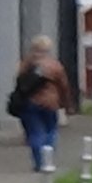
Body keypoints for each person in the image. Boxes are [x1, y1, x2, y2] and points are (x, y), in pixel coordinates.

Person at [9, 36, 70, 172]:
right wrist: (65, 103)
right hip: (50, 103)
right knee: (51, 131)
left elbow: (19, 83)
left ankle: (38, 163)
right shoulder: (54, 65)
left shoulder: (25, 64)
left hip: (29, 103)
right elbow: (63, 86)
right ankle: (48, 159)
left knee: (35, 133)